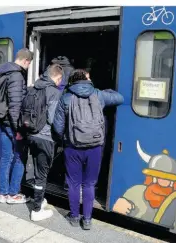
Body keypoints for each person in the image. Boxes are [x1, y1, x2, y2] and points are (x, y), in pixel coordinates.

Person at [53, 69, 124, 230]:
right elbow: (120, 98)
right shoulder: (99, 95)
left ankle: (74, 216)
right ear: (87, 80)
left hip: (72, 147)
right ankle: (87, 220)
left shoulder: (66, 97)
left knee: (73, 183)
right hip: (94, 147)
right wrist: (109, 90)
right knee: (89, 184)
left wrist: (65, 139)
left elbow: (57, 127)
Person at [25, 64, 63, 221]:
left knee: (36, 170)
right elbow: (53, 119)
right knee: (42, 174)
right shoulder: (54, 92)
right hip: (45, 137)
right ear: (58, 77)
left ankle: (37, 198)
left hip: (31, 135)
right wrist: (61, 137)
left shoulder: (33, 88)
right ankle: (37, 210)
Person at [0, 48, 34, 204]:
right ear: (26, 61)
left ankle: (3, 194)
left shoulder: (3, 72)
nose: (28, 67)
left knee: (6, 158)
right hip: (13, 125)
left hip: (3, 122)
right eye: (29, 64)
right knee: (19, 158)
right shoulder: (17, 76)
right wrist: (19, 130)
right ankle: (13, 194)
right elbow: (15, 106)